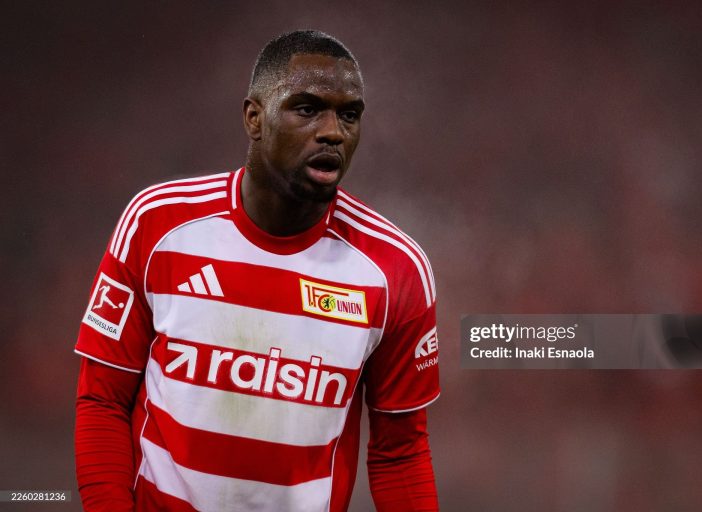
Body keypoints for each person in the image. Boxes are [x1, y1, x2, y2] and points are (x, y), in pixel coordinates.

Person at [74, 30, 440, 511]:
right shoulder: (157, 224)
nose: (333, 131)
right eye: (308, 109)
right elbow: (102, 401)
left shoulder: (395, 269)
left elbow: (400, 453)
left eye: (349, 115)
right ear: (255, 118)